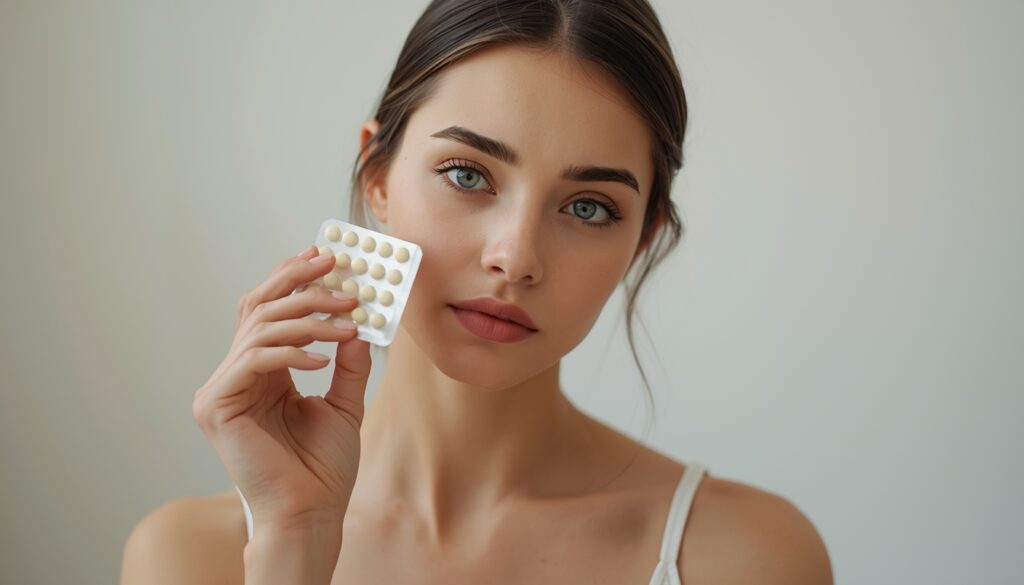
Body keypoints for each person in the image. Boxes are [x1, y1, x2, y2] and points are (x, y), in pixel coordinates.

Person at [122, 1, 833, 583]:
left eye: (588, 207)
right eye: (467, 174)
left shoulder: (748, 558)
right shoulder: (189, 558)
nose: (515, 257)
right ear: (378, 176)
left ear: (641, 239)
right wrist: (295, 540)